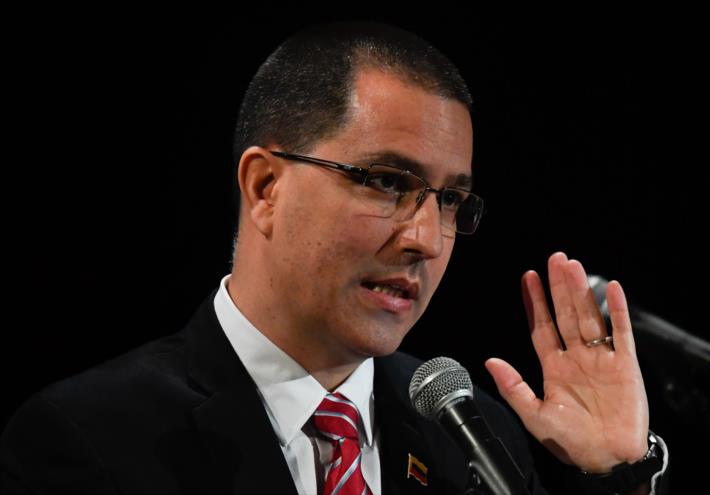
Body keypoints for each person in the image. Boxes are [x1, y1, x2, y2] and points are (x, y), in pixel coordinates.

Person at [0, 21, 668, 494]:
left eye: (450, 201)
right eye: (387, 182)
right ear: (266, 187)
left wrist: (621, 476)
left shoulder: (471, 438)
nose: (427, 240)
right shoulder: (91, 436)